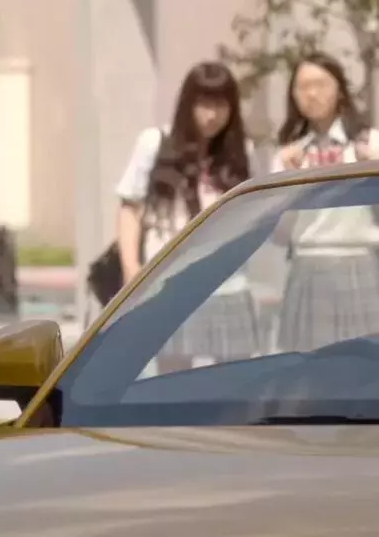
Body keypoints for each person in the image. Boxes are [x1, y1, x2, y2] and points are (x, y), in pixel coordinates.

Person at [114, 62, 256, 373]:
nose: (211, 115)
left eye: (220, 105)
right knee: (173, 380)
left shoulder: (241, 152)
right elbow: (130, 208)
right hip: (170, 284)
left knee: (235, 382)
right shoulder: (155, 142)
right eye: (203, 104)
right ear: (187, 104)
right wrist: (131, 268)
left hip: (228, 285)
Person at [271, 52, 379, 351]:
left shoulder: (370, 145)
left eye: (320, 84)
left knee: (364, 368)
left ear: (340, 90)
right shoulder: (289, 156)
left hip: (361, 263)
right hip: (307, 266)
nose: (312, 94)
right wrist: (288, 183)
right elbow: (278, 235)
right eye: (302, 87)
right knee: (308, 368)